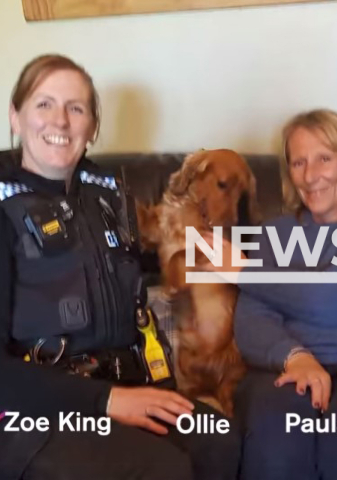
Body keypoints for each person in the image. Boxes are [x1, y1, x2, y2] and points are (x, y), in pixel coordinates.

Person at [0, 54, 240, 480]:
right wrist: (106, 402)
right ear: (15, 118)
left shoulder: (108, 197)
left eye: (76, 108)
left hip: (121, 384)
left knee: (216, 438)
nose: (60, 121)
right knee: (161, 469)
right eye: (44, 104)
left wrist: (215, 254)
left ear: (92, 128)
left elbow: (159, 261)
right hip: (30, 410)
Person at [204, 109, 337, 480]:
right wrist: (294, 357)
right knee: (274, 447)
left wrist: (243, 271)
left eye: (324, 158)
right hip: (286, 369)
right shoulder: (278, 232)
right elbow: (253, 319)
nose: (310, 175)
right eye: (298, 162)